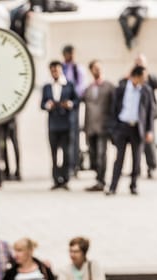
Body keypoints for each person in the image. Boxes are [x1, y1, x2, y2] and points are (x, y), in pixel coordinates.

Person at [106, 65, 154, 196]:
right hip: (122, 127)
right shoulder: (121, 89)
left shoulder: (146, 90)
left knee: (136, 159)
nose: (145, 79)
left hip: (137, 128)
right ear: (136, 76)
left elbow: (150, 111)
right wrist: (113, 128)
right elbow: (114, 109)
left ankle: (133, 185)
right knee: (119, 158)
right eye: (143, 77)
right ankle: (113, 187)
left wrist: (149, 130)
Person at [41, 60, 78, 190]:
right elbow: (42, 104)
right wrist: (48, 105)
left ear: (61, 70)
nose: (54, 72)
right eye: (52, 70)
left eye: (56, 69)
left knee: (67, 153)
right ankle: (56, 179)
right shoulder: (46, 87)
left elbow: (77, 101)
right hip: (53, 125)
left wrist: (70, 104)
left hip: (67, 124)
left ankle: (65, 179)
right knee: (54, 154)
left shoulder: (69, 85)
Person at [81, 60, 115, 192]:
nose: (98, 70)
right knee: (93, 155)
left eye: (99, 68)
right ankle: (98, 178)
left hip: (103, 127)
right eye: (95, 68)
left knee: (102, 154)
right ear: (91, 71)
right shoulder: (88, 89)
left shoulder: (109, 87)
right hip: (90, 127)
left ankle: (102, 180)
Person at [135, 53, 157, 179]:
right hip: (137, 115)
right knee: (137, 143)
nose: (139, 63)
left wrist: (146, 73)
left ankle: (151, 167)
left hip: (148, 115)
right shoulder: (133, 75)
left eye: (141, 61)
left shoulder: (150, 77)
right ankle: (137, 168)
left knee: (149, 142)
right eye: (137, 61)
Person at [62, 45, 85, 175]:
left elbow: (80, 88)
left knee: (74, 137)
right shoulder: (62, 68)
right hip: (61, 106)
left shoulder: (78, 69)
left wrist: (72, 100)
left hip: (73, 105)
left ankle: (74, 164)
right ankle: (66, 165)